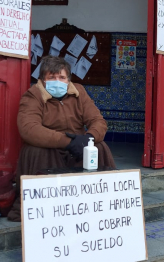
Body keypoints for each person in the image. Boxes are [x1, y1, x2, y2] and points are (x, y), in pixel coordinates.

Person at [7, 56, 116, 221]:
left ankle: (98, 203)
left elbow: (98, 121)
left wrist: (88, 139)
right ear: (43, 80)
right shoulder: (33, 95)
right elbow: (29, 129)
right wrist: (68, 142)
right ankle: (44, 208)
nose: (57, 81)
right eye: (52, 77)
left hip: (79, 144)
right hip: (50, 145)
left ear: (68, 80)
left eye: (62, 77)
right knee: (37, 151)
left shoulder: (79, 92)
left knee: (99, 147)